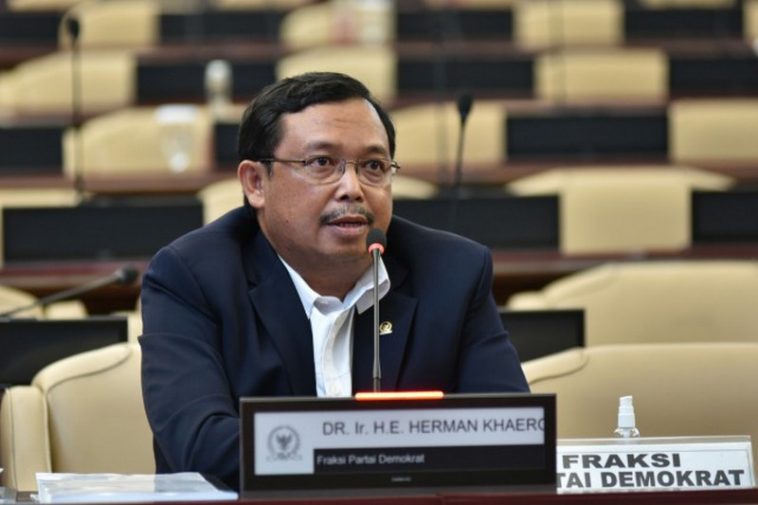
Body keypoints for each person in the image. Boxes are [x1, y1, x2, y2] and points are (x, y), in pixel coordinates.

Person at [139, 71, 529, 490]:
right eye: (322, 163)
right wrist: (384, 451)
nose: (353, 188)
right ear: (256, 183)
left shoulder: (452, 272)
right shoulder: (192, 277)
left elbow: (512, 435)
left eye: (374, 166)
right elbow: (204, 446)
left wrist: (344, 451)